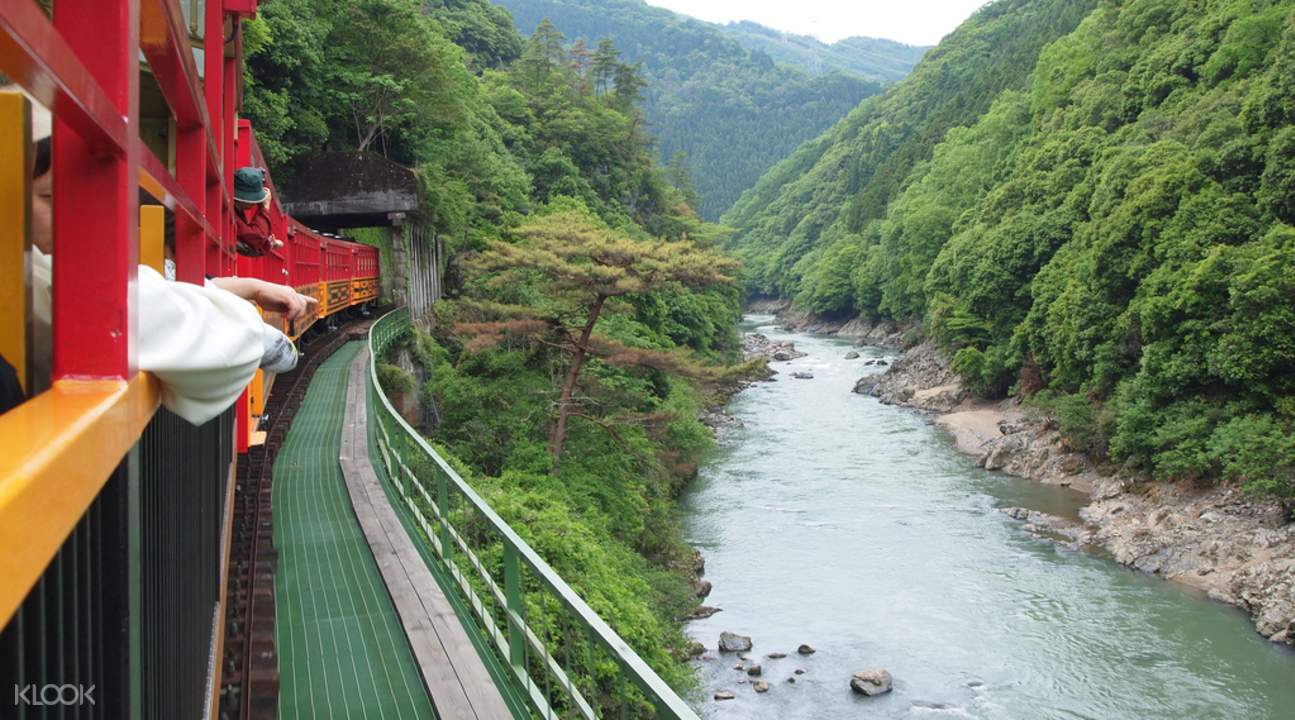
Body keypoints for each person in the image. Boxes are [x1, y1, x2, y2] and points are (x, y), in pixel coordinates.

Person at [12, 88, 316, 425]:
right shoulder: (52, 278)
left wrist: (245, 286)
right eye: (51, 195)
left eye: (88, 195)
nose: (79, 216)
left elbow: (155, 291)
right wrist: (261, 329)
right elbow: (153, 310)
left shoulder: (36, 270)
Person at [232, 166, 283, 257]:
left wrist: (267, 242)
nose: (255, 203)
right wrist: (264, 207)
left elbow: (254, 244)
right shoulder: (229, 212)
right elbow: (257, 237)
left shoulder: (234, 209)